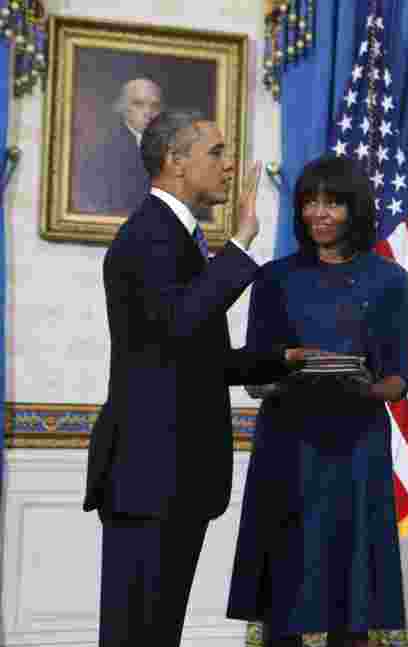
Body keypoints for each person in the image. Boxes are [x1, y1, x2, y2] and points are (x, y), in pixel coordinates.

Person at [83, 110, 309, 647]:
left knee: (156, 634)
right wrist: (242, 241)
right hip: (148, 477)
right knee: (136, 636)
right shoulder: (147, 235)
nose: (228, 166)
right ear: (175, 162)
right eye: (215, 152)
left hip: (172, 479)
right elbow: (181, 325)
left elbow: (194, 358)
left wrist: (283, 358)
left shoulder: (179, 238)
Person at [226, 155, 408, 647]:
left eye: (333, 203)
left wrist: (365, 387)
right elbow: (252, 374)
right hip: (287, 446)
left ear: (356, 208)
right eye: (310, 202)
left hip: (357, 445)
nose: (319, 213)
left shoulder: (390, 280)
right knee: (289, 577)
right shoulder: (273, 278)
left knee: (352, 590)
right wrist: (287, 367)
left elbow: (396, 378)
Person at [74, 78, 163, 213]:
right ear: (122, 107)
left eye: (154, 106)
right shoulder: (105, 150)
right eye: (139, 104)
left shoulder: (169, 148)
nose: (148, 113)